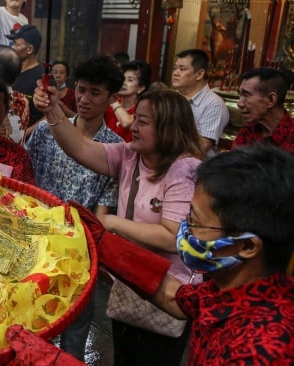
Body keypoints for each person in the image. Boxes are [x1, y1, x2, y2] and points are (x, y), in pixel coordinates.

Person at [34, 84, 206, 365]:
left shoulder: (184, 169)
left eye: (144, 121)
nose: (133, 126)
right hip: (131, 282)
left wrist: (111, 223)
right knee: (125, 356)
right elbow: (78, 147)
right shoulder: (129, 156)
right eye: (135, 117)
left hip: (169, 288)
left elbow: (172, 235)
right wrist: (52, 110)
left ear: (169, 128)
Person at [77, 144, 294, 364]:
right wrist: (103, 242)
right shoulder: (231, 289)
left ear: (247, 246)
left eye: (195, 222)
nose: (184, 229)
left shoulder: (260, 351)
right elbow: (175, 296)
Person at [24, 56, 124, 361]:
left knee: (76, 329)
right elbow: (27, 180)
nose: (84, 99)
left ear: (111, 98)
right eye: (81, 90)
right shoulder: (45, 132)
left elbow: (105, 211)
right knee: (29, 319)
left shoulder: (114, 149)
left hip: (80, 250)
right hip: (35, 241)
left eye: (95, 93)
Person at [172, 49, 229, 155]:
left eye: (182, 69)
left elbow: (203, 145)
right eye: (175, 68)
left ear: (199, 74)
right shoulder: (172, 97)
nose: (175, 73)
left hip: (194, 165)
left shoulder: (213, 104)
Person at [231, 67, 294, 154]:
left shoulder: (291, 135)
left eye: (246, 95)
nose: (239, 104)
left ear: (271, 100)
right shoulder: (248, 130)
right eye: (240, 95)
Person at [6, 24, 45, 131]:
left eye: (16, 44)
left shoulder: (42, 78)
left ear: (29, 49)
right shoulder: (10, 71)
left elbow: (48, 116)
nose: (12, 47)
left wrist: (25, 134)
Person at [106, 60, 152, 142]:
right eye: (123, 79)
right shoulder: (109, 104)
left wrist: (113, 102)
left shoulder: (143, 108)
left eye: (130, 80)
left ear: (140, 88)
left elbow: (127, 123)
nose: (124, 83)